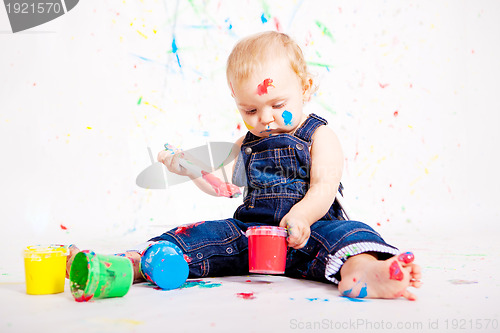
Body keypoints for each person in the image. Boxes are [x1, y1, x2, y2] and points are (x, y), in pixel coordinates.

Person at [67, 31, 421, 300]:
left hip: (308, 230)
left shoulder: (319, 134)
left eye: (275, 103)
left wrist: (301, 217)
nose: (264, 118)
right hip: (251, 233)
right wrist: (189, 170)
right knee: (204, 235)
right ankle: (132, 265)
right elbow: (226, 188)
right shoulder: (246, 144)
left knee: (347, 235)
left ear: (306, 86)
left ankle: (368, 272)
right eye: (250, 110)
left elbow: (324, 187)